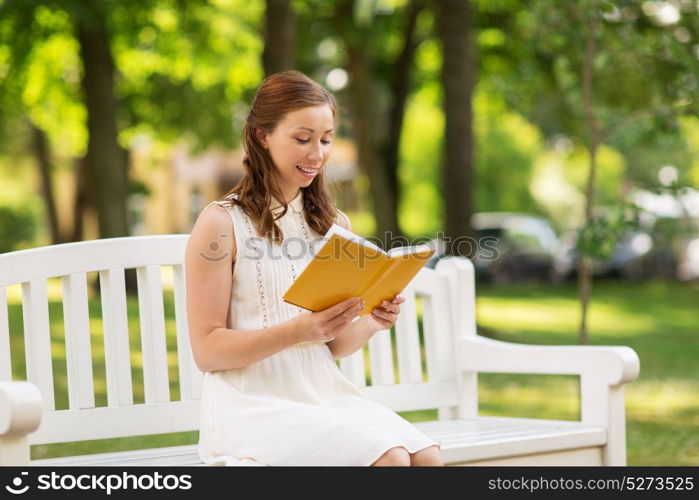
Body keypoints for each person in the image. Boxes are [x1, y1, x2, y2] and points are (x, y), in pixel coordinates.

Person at [185, 70, 443, 466]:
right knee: (390, 460)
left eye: (326, 139)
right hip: (251, 406)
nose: (317, 154)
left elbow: (330, 347)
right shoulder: (220, 223)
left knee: (427, 459)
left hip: (321, 394)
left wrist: (371, 320)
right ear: (262, 136)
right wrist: (298, 330)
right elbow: (206, 351)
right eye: (302, 139)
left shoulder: (333, 225)